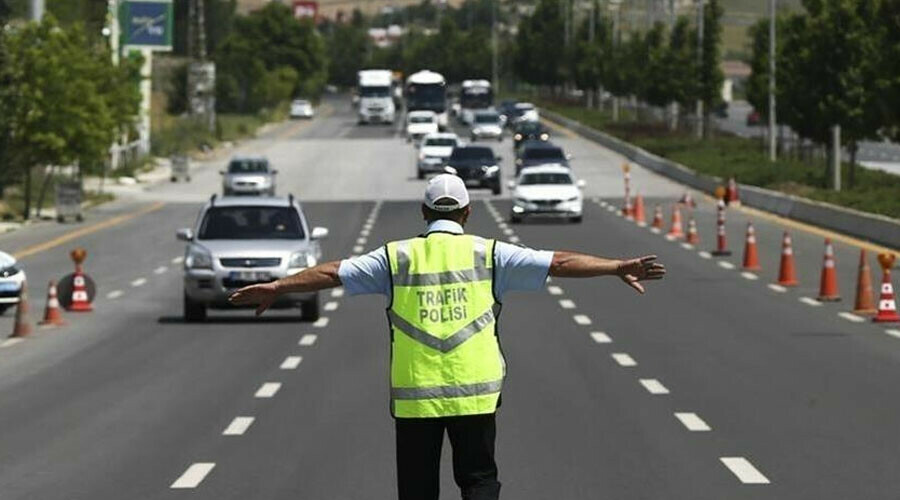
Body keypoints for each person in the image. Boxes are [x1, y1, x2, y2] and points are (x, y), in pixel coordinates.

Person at [229, 174, 666, 500]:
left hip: (416, 394)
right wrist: (614, 266)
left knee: (418, 489)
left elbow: (331, 272)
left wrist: (277, 286)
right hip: (475, 393)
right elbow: (559, 262)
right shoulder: (490, 253)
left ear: (423, 213)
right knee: (478, 480)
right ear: (467, 213)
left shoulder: (395, 257)